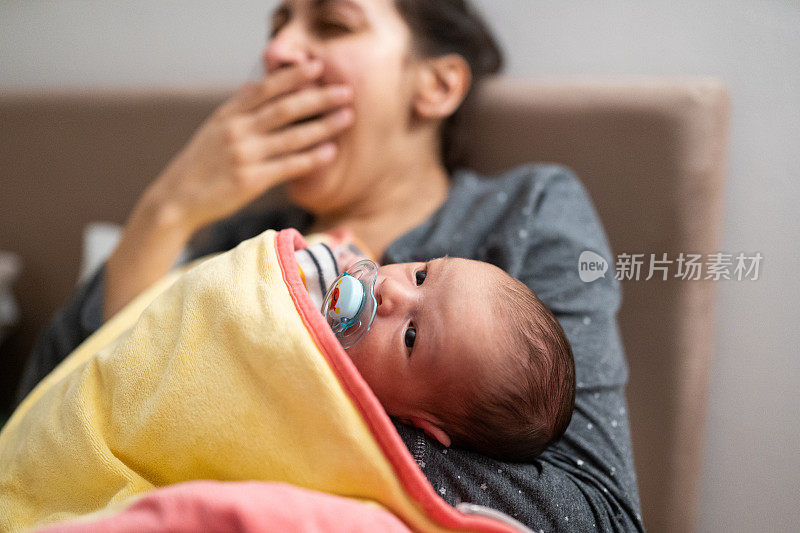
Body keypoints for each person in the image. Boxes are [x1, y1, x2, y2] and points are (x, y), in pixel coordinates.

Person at [17, 0, 644, 530]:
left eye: (333, 24)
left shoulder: (521, 212)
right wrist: (168, 210)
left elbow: (596, 512)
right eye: (278, 26)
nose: (279, 51)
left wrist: (299, 411)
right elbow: (49, 424)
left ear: (437, 85)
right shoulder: (241, 243)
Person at [301, 243, 575, 463]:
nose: (391, 289)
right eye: (421, 276)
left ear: (418, 424)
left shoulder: (340, 431)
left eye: (411, 336)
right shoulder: (350, 262)